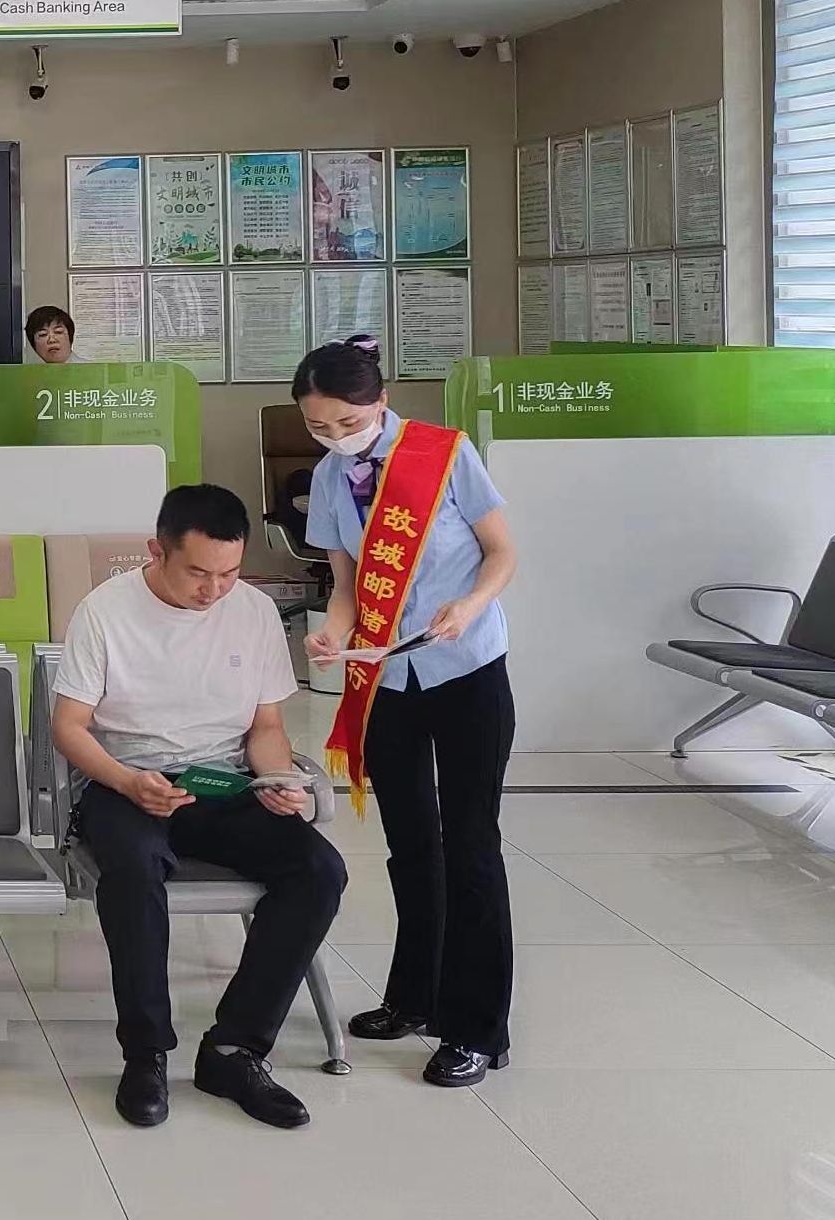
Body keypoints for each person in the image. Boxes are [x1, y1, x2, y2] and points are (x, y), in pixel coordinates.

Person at [52, 484, 348, 1131]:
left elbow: (265, 726)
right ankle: (146, 1053)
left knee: (319, 870)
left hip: (224, 782)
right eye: (198, 573)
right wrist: (128, 781)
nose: (214, 590)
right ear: (156, 551)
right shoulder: (105, 611)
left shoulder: (254, 612)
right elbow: (69, 726)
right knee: (134, 871)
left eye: (229, 573)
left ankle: (235, 1050)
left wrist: (276, 779)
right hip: (128, 782)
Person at [295, 335, 519, 1088]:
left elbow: (502, 553)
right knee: (411, 844)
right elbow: (345, 584)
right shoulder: (330, 476)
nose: (335, 436)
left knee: (471, 845)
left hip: (466, 669)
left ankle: (478, 1028)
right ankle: (416, 996)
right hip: (387, 677)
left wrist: (470, 604)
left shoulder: (443, 454)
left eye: (347, 422)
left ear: (381, 403)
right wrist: (332, 632)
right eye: (318, 426)